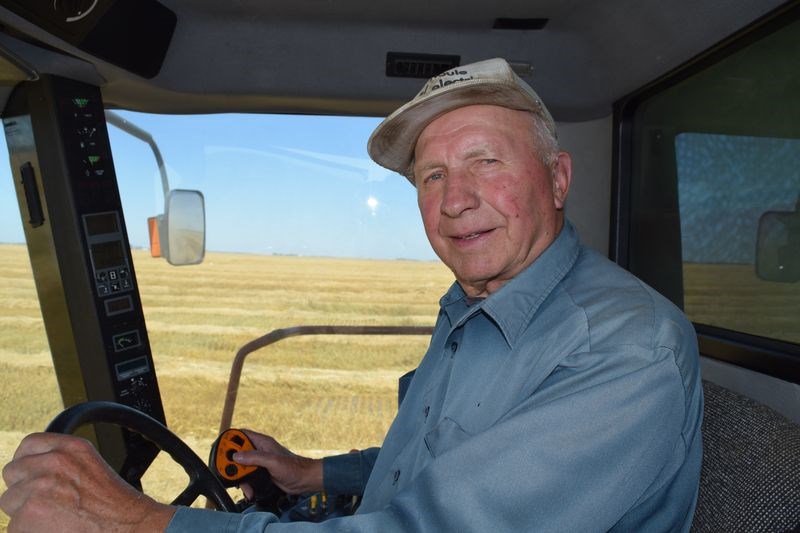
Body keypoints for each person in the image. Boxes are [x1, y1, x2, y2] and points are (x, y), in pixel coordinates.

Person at [1, 58, 703, 532]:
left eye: (485, 162)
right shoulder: (470, 306)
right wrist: (312, 471)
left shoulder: (626, 349)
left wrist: (134, 517)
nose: (455, 200)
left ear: (557, 178)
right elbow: (439, 468)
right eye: (431, 176)